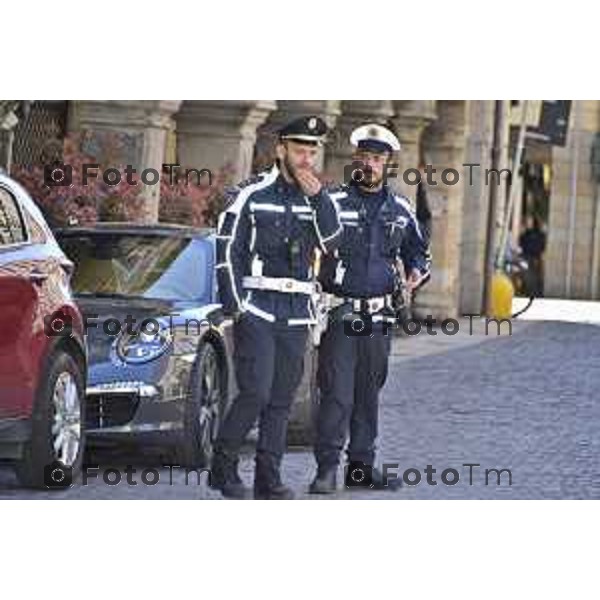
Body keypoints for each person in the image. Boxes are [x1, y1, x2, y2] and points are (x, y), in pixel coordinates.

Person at [211, 116, 342, 499]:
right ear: (280, 149)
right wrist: (235, 307)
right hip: (257, 307)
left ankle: (268, 479)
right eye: (300, 150)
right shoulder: (251, 193)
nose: (306, 159)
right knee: (255, 392)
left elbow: (333, 242)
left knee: (282, 399)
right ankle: (224, 467)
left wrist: (318, 199)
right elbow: (227, 249)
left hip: (297, 310)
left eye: (312, 151)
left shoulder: (318, 196)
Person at [309, 123, 431, 494]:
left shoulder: (401, 208)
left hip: (378, 318)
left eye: (376, 158)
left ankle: (360, 469)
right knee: (336, 393)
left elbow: (419, 253)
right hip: (342, 314)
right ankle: (327, 468)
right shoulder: (332, 203)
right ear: (355, 160)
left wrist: (415, 273)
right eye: (363, 156)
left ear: (388, 164)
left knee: (368, 393)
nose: (369, 163)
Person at [518, 215, 546, 296]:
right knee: (535, 276)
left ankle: (528, 292)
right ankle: (535, 293)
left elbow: (521, 242)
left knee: (528, 275)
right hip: (535, 258)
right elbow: (542, 246)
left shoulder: (527, 233)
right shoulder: (541, 234)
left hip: (528, 257)